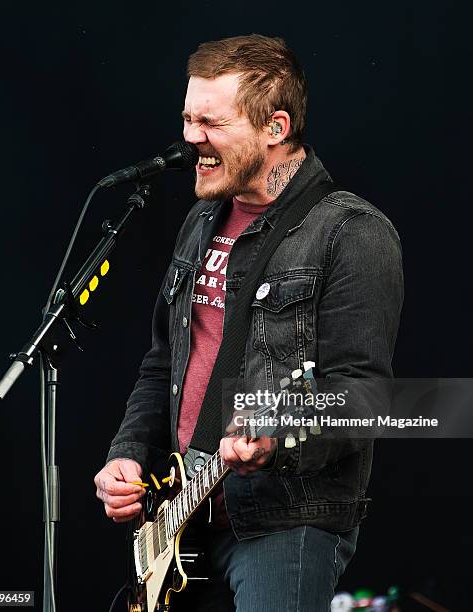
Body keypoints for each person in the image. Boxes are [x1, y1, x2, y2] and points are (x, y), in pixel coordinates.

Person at [94, 34, 403, 611]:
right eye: (188, 118)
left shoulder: (353, 233)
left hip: (284, 521)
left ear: (275, 127)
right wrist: (130, 450)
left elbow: (364, 397)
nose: (190, 139)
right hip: (183, 514)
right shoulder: (200, 221)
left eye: (211, 123)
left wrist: (274, 441)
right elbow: (165, 359)